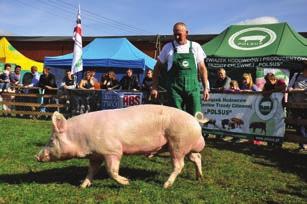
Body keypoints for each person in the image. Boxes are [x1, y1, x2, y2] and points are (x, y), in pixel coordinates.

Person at [151, 22, 209, 116]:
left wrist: (206, 87)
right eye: (175, 34)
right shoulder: (168, 47)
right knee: (176, 118)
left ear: (187, 33)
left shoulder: (195, 46)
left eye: (179, 34)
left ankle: (197, 131)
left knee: (196, 116)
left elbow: (202, 68)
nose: (177, 37)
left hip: (193, 89)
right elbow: (157, 67)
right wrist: (154, 87)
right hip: (175, 90)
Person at [288, 65, 307, 151]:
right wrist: (302, 90)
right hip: (295, 104)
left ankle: (304, 143)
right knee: (299, 123)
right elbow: (289, 88)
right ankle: (303, 143)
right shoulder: (296, 75)